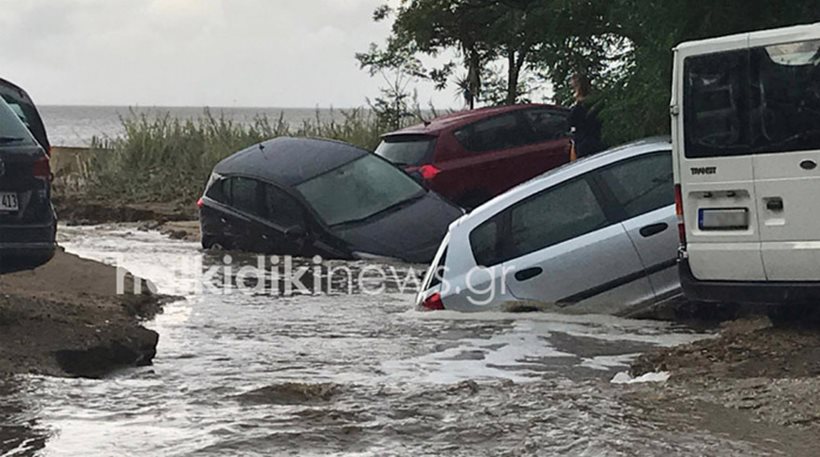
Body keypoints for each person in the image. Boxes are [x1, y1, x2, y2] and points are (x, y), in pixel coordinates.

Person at [568, 73, 605, 160]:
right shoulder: (595, 102)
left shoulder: (581, 106)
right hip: (595, 139)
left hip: (585, 142)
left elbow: (573, 122)